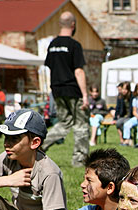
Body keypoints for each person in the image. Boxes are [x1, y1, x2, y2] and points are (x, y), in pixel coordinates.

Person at [41, 11, 89, 167]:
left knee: (64, 123)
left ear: (60, 24)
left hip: (57, 91)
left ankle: (40, 144)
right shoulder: (74, 45)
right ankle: (79, 161)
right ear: (73, 25)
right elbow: (78, 71)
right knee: (80, 125)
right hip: (73, 91)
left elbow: (49, 67)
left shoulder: (52, 45)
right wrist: (85, 95)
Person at [121, 83, 138, 147]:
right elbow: (134, 111)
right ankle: (127, 140)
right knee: (127, 124)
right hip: (137, 117)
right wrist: (137, 116)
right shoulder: (135, 100)